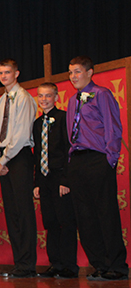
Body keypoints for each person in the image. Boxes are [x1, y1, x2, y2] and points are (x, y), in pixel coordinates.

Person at [65, 56, 127, 281]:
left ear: (90, 72)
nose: (73, 76)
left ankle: (117, 265)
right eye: (71, 72)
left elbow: (113, 126)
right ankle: (99, 264)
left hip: (98, 159)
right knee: (85, 216)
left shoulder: (102, 94)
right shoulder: (72, 100)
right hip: (78, 161)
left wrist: (110, 159)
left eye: (78, 71)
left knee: (105, 213)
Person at [0, 58, 37, 278]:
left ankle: (27, 263)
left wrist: (4, 159)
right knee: (12, 213)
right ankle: (19, 262)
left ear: (16, 74)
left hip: (19, 159)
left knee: (23, 211)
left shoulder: (24, 98)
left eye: (8, 72)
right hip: (3, 160)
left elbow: (21, 135)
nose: (4, 76)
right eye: (1, 73)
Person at [31, 83, 77, 279]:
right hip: (45, 179)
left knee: (65, 221)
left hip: (60, 178)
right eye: (41, 96)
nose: (44, 99)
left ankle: (69, 265)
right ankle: (55, 263)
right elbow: (37, 155)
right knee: (50, 221)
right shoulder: (37, 123)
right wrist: (36, 183)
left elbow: (69, 149)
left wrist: (66, 180)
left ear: (56, 97)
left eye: (48, 96)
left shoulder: (63, 118)